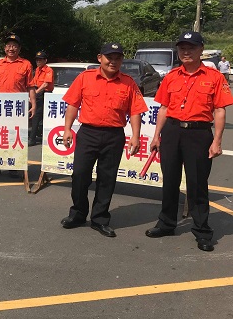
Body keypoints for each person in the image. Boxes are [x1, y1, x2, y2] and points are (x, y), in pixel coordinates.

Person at [145, 31, 233, 252]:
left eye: (191, 47)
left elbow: (219, 110)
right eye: (182, 47)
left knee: (197, 185)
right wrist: (157, 136)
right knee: (170, 181)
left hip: (199, 134)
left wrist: (217, 141)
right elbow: (164, 108)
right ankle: (166, 223)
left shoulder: (214, 77)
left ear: (201, 49)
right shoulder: (171, 76)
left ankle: (202, 230)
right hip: (172, 132)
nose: (186, 51)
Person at [60, 43, 148, 238]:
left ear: (122, 60)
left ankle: (99, 218)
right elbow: (73, 104)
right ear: (100, 57)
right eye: (109, 57)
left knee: (107, 179)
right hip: (88, 133)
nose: (113, 61)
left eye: (118, 58)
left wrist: (135, 136)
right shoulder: (85, 78)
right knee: (80, 175)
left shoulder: (128, 83)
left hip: (113, 136)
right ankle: (78, 214)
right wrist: (67, 129)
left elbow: (135, 111)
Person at [0, 34, 36, 177]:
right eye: (8, 46)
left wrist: (33, 103)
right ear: (4, 48)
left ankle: (13, 166)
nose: (11, 48)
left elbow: (31, 86)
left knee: (14, 137)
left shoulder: (26, 64)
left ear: (19, 48)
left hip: (16, 109)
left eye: (14, 46)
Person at [29, 50, 54, 146]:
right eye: (37, 60)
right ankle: (34, 135)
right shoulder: (37, 70)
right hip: (38, 93)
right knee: (34, 115)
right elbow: (34, 83)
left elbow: (45, 84)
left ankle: (32, 139)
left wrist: (35, 93)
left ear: (45, 60)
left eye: (40, 60)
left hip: (44, 94)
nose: (38, 61)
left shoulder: (48, 70)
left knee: (36, 116)